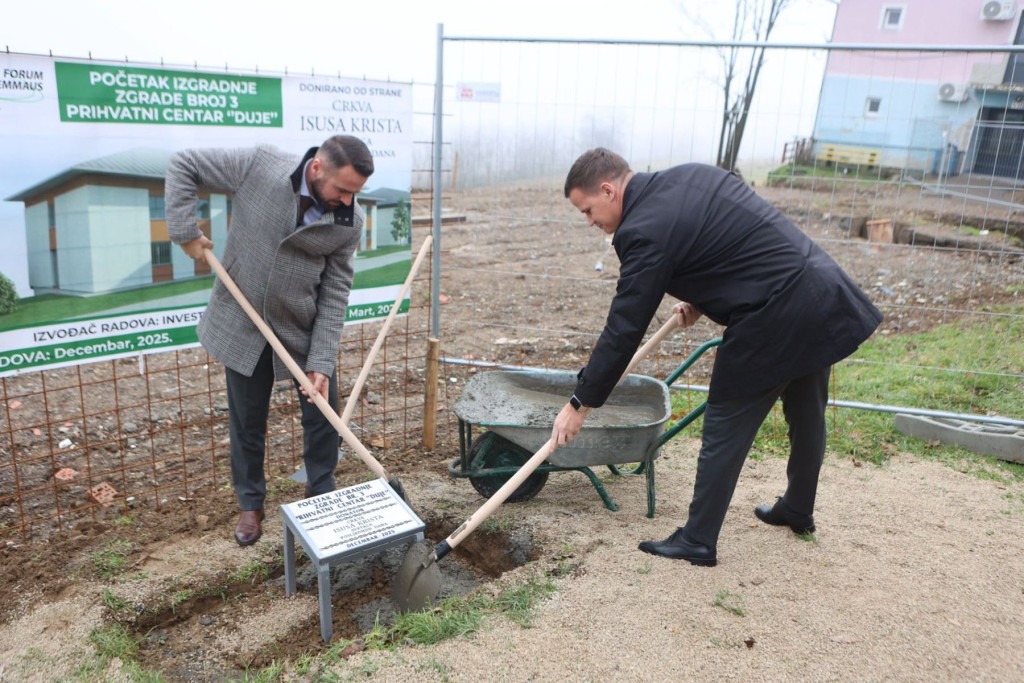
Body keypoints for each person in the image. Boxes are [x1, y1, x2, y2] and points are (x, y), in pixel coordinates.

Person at [552, 148, 882, 567]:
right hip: (817, 289)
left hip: (776, 312)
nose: (589, 221)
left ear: (607, 190)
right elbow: (731, 240)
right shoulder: (690, 176)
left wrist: (580, 402)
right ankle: (798, 508)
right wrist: (703, 295)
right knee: (806, 409)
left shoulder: (642, 229)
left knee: (726, 420)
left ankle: (697, 539)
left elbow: (624, 327)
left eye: (587, 210)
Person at [166, 135, 374, 546]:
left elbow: (335, 292)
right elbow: (184, 163)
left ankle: (320, 490)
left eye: (356, 193)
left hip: (302, 326)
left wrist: (321, 360)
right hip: (242, 319)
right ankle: (250, 504)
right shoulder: (259, 165)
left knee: (323, 415)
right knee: (247, 420)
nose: (348, 201)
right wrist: (184, 230)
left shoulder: (349, 221)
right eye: (342, 190)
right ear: (317, 168)